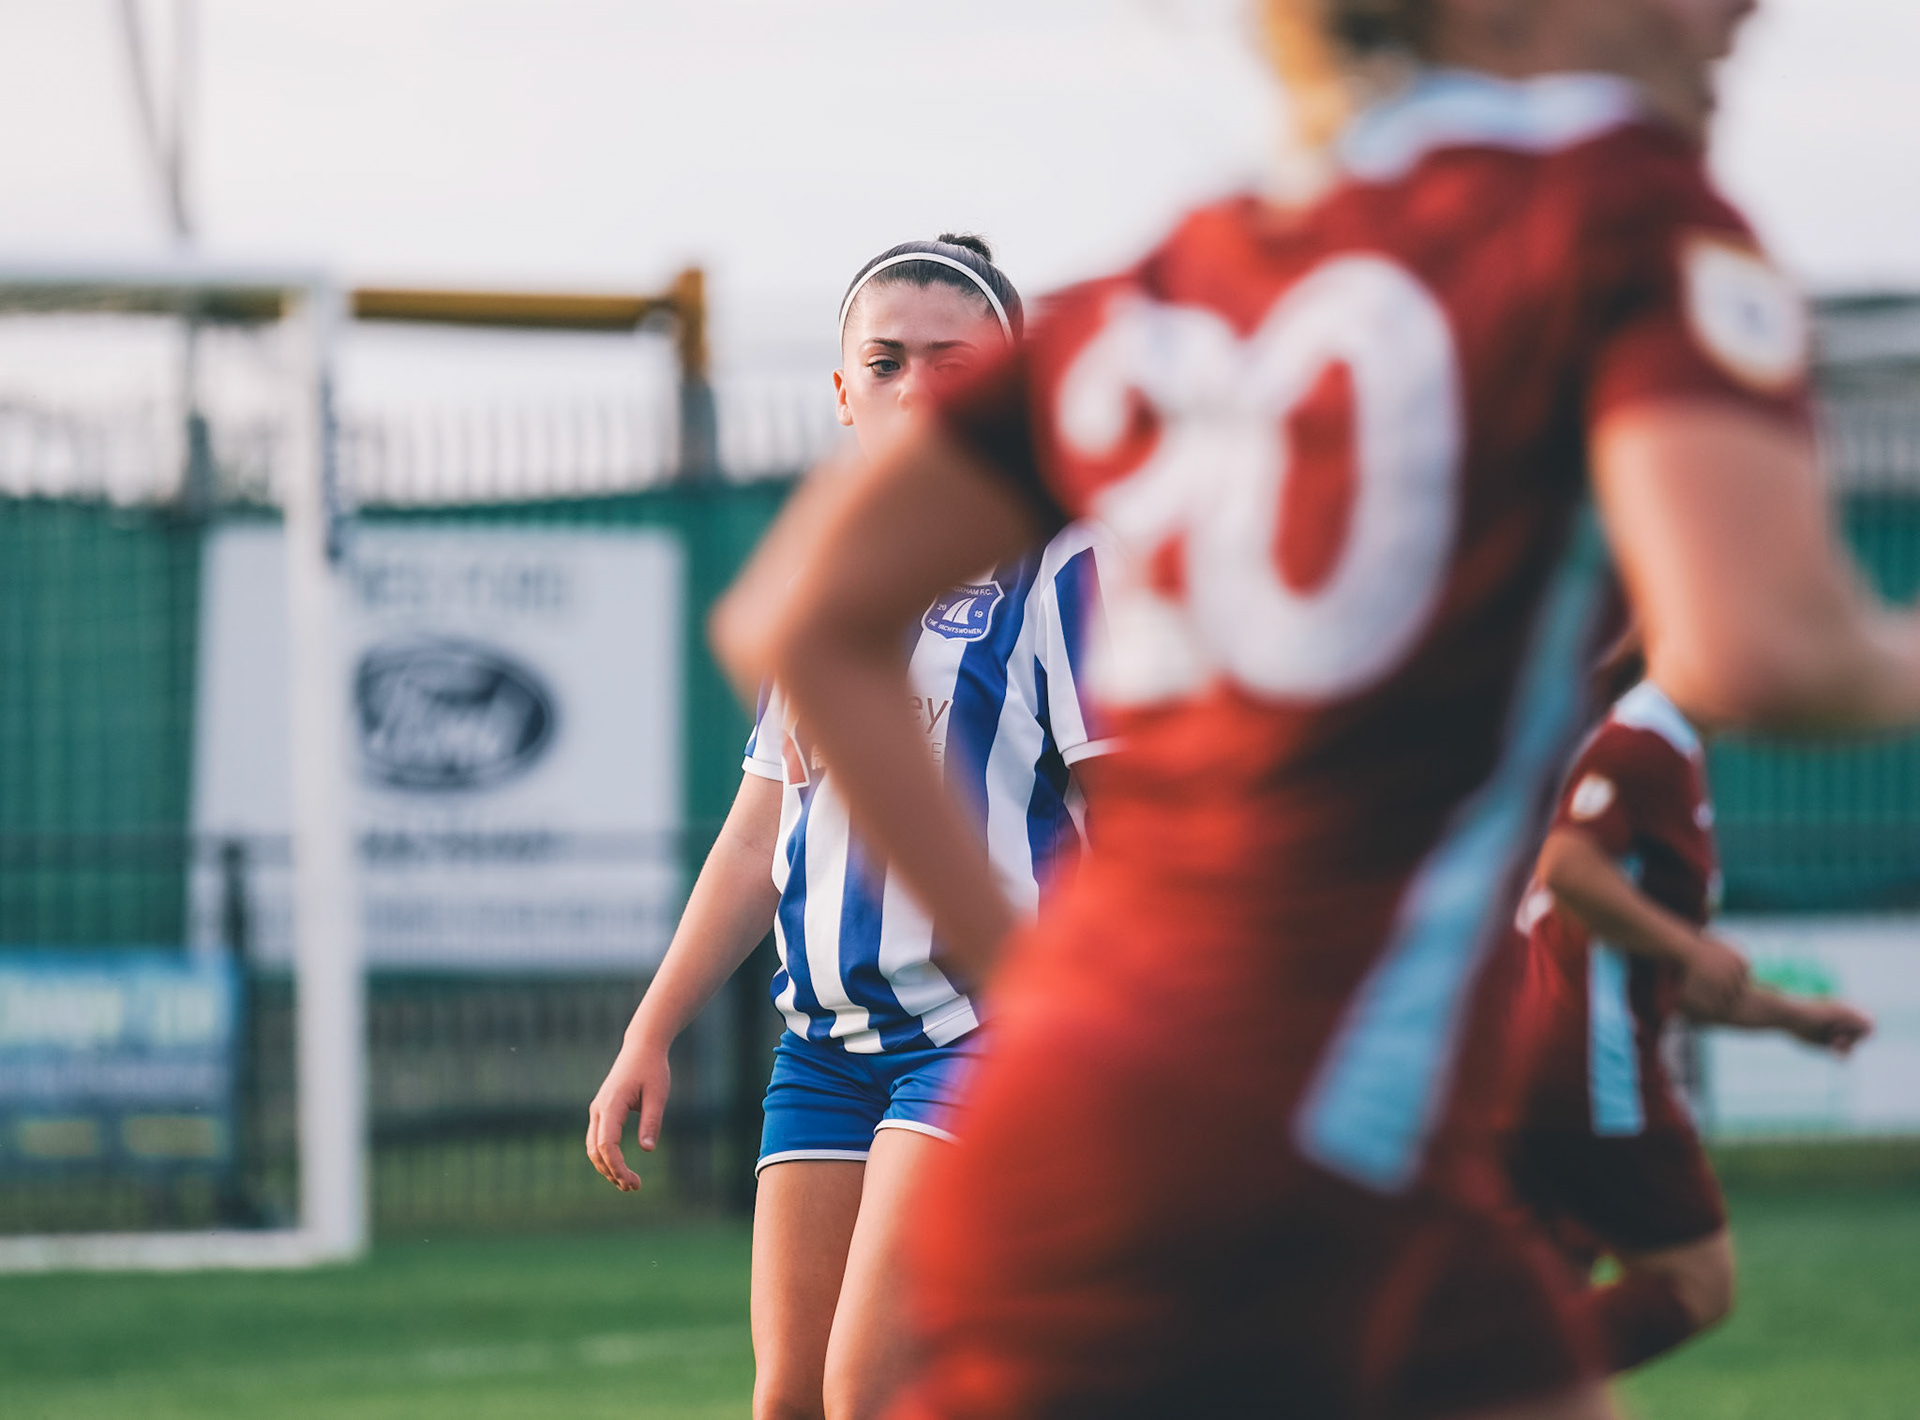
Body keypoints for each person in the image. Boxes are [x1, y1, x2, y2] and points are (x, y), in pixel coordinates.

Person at [712, 1, 1920, 1416]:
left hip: (1076, 1117)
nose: (1742, 11)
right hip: (1319, 1134)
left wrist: (1043, 995)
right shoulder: (1611, 214)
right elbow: (1759, 651)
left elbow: (799, 621)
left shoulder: (1188, 269)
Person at [585, 234, 1111, 1420]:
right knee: (790, 1399)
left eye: (954, 363)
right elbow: (753, 834)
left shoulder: (1065, 568)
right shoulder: (822, 577)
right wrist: (650, 1029)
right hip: (824, 1046)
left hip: (986, 1033)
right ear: (841, 391)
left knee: (868, 1393)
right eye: (886, 362)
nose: (917, 387)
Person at [1505, 639, 1872, 1374]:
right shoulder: (1642, 743)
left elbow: (1650, 976)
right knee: (1695, 1283)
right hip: (1588, 1075)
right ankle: (1465, 1385)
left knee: (1533, 1299)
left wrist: (1791, 1016)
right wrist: (1687, 946)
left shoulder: (1660, 750)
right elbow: (1568, 866)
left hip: (1519, 1070)